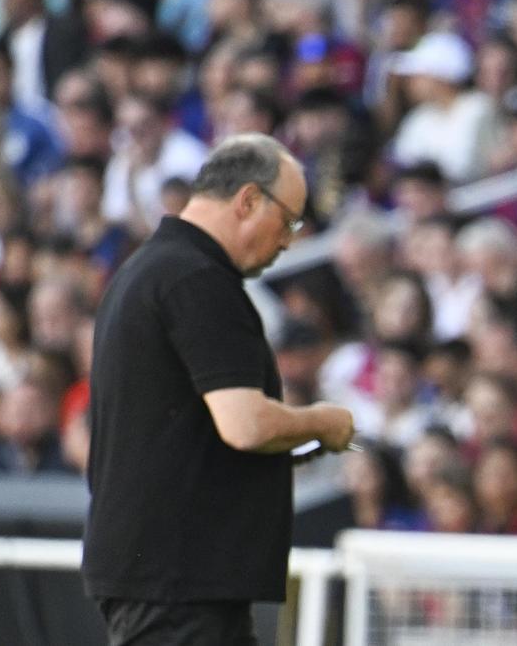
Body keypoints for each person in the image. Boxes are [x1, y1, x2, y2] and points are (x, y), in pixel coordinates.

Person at [82, 133, 355, 644]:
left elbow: (180, 432)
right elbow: (245, 424)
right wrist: (324, 422)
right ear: (249, 199)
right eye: (289, 220)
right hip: (177, 578)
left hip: (166, 573)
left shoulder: (146, 270)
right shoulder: (197, 279)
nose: (288, 240)